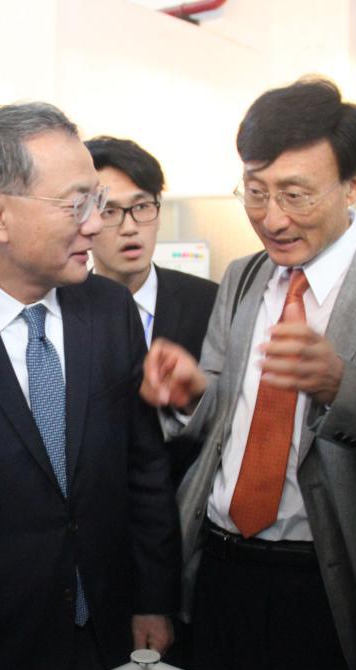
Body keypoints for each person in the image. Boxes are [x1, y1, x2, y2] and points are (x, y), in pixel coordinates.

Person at [140, 78, 356, 670]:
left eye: (295, 195)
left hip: (325, 580)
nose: (272, 218)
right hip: (221, 566)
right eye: (255, 191)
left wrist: (341, 387)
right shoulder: (244, 277)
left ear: (354, 185)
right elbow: (225, 411)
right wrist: (192, 391)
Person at [0, 102, 180, 670]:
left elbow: (144, 467)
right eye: (77, 204)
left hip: (106, 638)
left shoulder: (109, 311)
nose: (96, 224)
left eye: (98, 201)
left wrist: (153, 598)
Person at [86, 136, 218, 488]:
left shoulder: (209, 302)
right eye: (109, 211)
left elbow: (229, 417)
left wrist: (192, 400)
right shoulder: (64, 309)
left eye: (142, 206)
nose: (130, 227)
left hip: (186, 497)